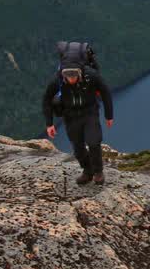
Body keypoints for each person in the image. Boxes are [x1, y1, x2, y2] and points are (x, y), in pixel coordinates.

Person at [42, 42, 114, 185]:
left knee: (94, 142)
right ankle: (88, 171)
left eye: (74, 75)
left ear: (80, 71)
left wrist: (109, 115)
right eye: (67, 75)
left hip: (89, 112)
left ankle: (98, 172)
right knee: (78, 148)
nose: (71, 78)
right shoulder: (58, 80)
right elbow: (47, 100)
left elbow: (105, 92)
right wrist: (49, 123)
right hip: (70, 116)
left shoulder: (91, 76)